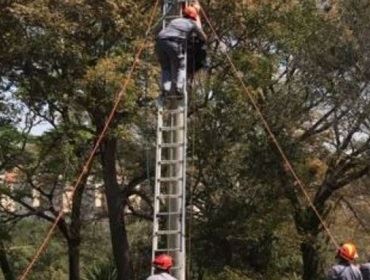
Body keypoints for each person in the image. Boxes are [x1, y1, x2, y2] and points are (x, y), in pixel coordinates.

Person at [155, 6, 207, 98]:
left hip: (160, 42)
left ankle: (165, 90)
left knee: (166, 67)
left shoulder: (175, 21)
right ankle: (179, 89)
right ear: (192, 17)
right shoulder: (192, 23)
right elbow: (203, 37)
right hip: (173, 42)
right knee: (181, 66)